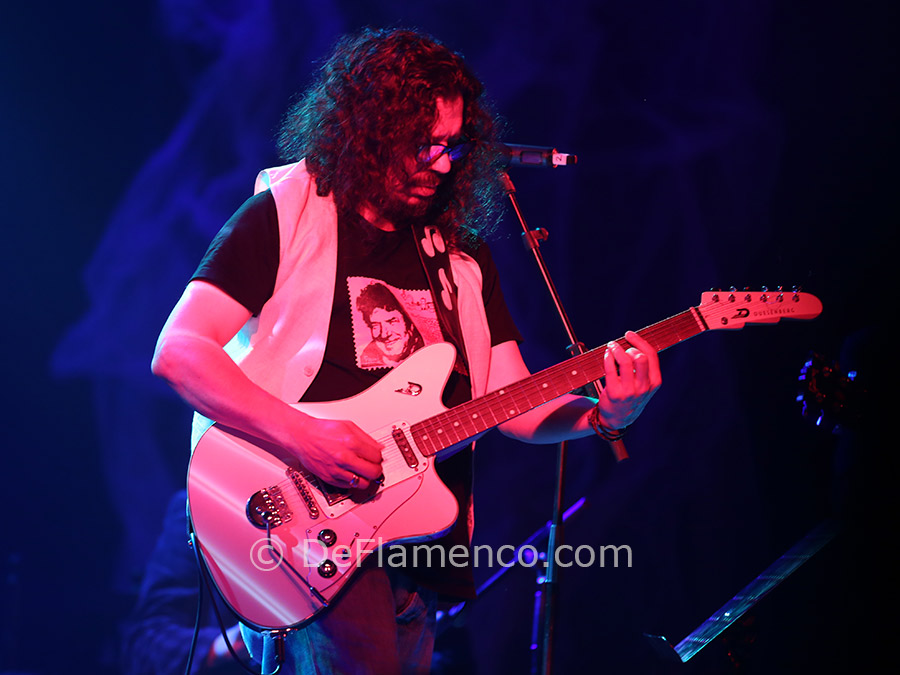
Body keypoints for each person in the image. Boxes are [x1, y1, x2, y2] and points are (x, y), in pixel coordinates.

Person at [151, 27, 661, 674]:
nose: (442, 165)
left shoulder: (461, 257)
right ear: (368, 129)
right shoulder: (286, 216)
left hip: (420, 546)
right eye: (423, 144)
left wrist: (606, 416)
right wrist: (306, 437)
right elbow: (180, 352)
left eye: (453, 145)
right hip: (311, 533)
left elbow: (513, 401)